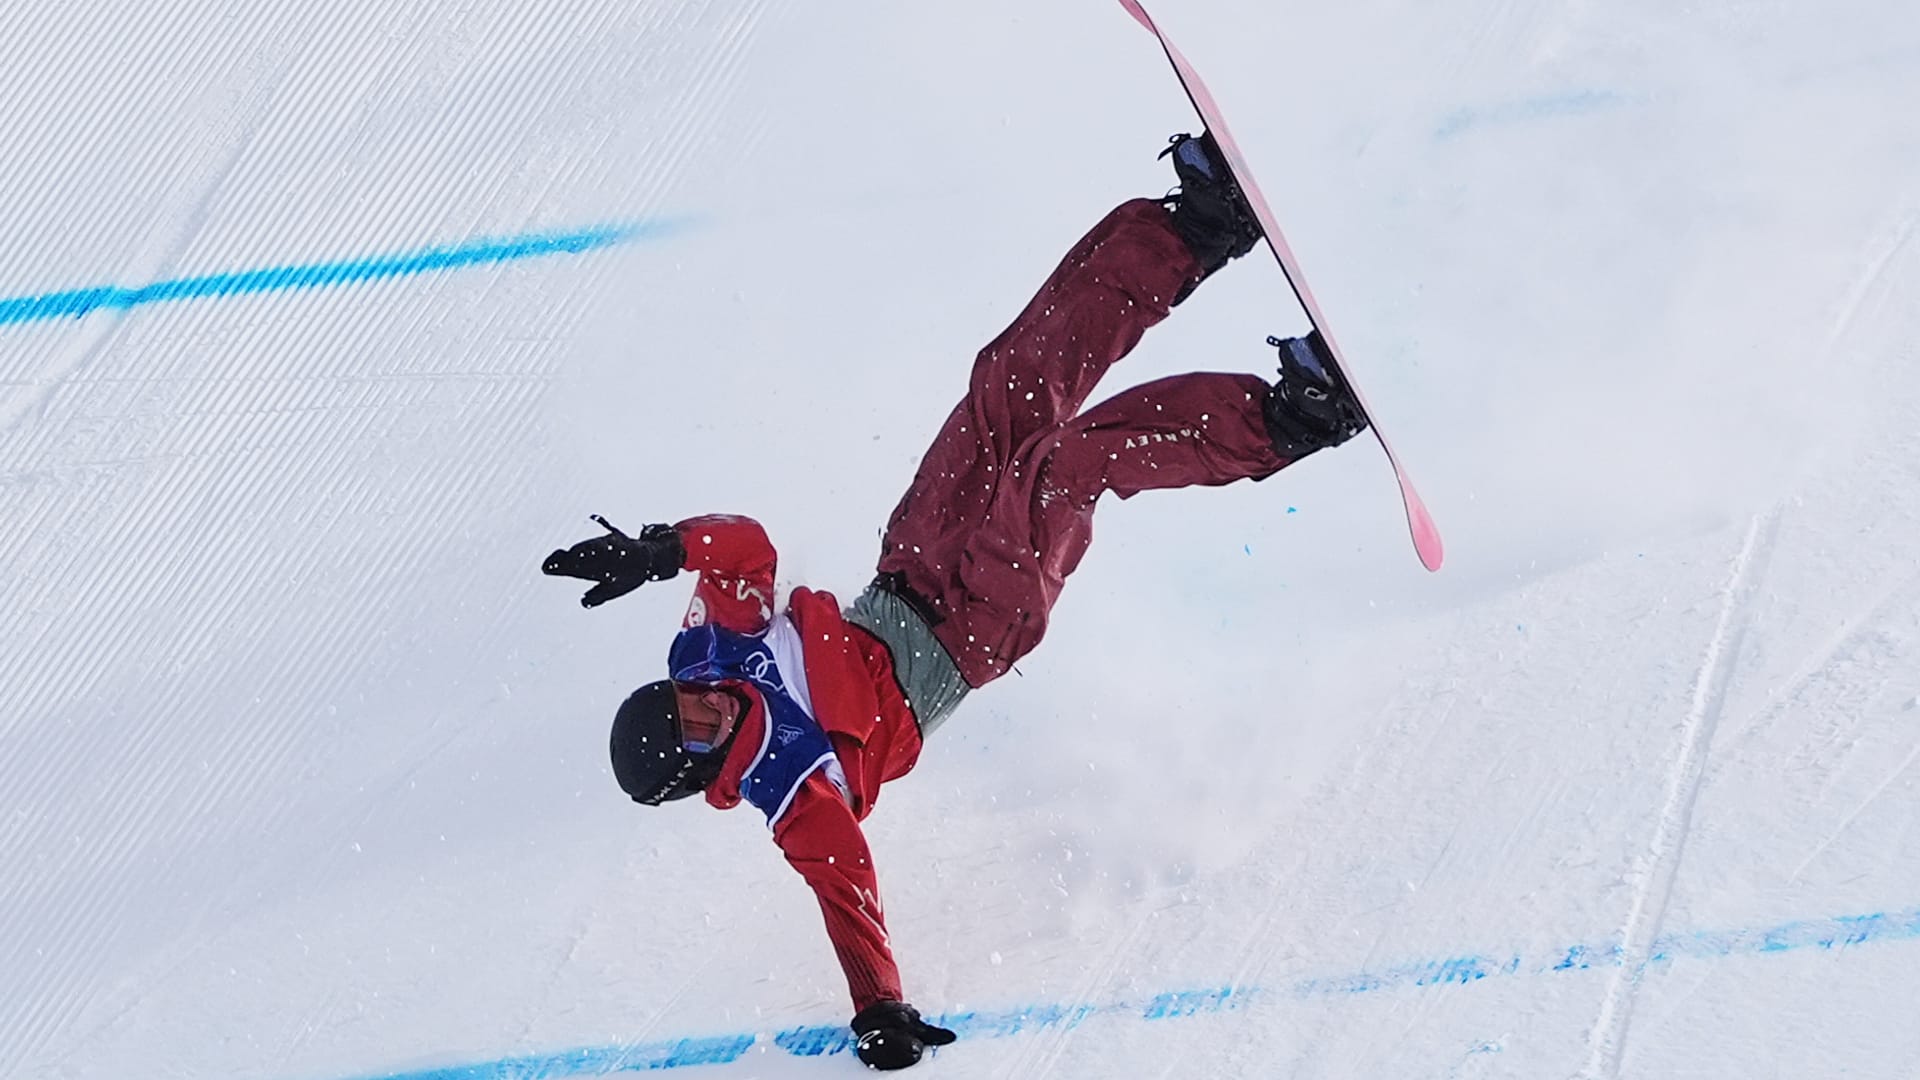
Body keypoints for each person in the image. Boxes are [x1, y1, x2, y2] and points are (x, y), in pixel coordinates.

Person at [541, 132, 1366, 1070]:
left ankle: (1196, 230)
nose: (709, 705)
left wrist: (663, 548)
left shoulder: (713, 656)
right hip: (971, 627)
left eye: (685, 699)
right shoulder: (789, 790)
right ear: (704, 770)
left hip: (909, 564)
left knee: (1007, 384)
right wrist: (879, 1007)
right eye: (698, 727)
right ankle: (1293, 418)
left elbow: (748, 547)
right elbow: (847, 895)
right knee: (1065, 465)